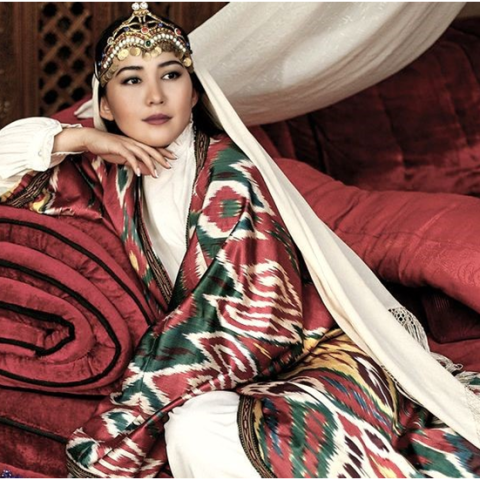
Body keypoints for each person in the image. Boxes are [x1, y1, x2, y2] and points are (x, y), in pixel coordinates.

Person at [1, 2, 480, 479]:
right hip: (225, 369)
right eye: (131, 80)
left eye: (171, 76)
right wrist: (80, 139)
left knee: (196, 429)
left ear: (194, 94)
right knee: (192, 426)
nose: (154, 97)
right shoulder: (112, 176)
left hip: (308, 356)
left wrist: (126, 420)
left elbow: (248, 321)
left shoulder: (229, 175)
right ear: (104, 105)